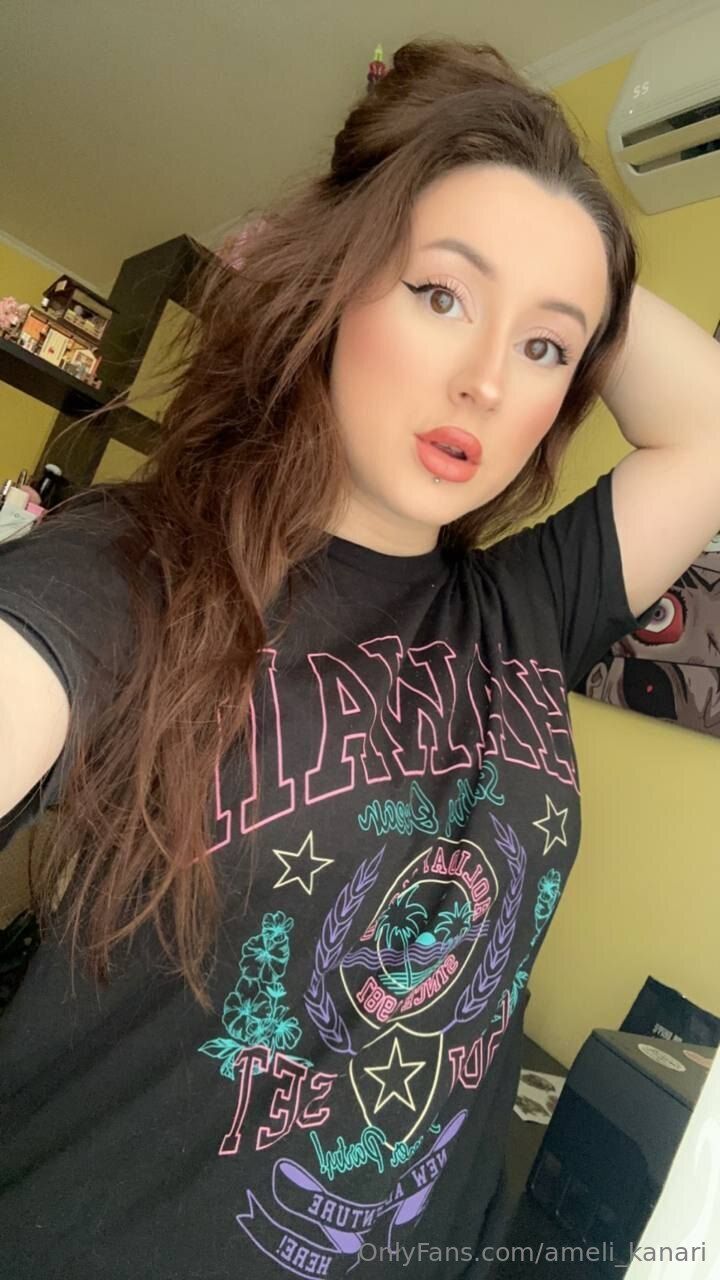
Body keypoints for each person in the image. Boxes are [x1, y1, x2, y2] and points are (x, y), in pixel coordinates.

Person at [1, 36, 719, 1280]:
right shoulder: (136, 569)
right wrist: (418, 181)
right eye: (441, 294)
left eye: (547, 347)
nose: (487, 381)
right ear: (339, 283)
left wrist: (564, 249)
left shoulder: (529, 606)